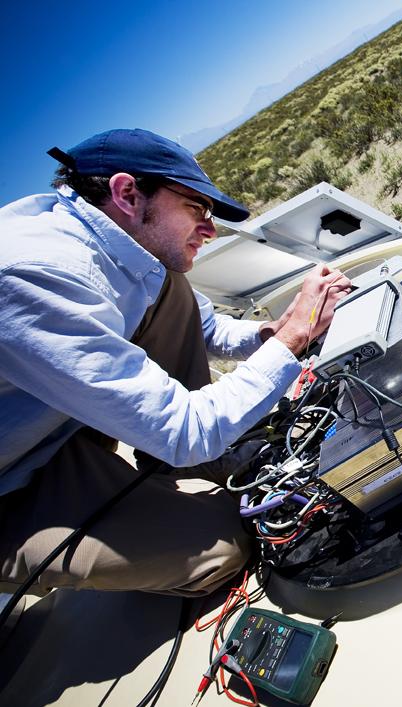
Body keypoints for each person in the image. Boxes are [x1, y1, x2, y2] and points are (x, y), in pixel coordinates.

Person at [0, 129, 352, 597]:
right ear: (127, 192)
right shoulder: (34, 275)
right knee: (227, 545)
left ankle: (186, 466)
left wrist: (273, 332)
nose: (209, 229)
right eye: (196, 209)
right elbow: (185, 431)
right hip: (15, 488)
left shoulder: (116, 242)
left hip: (60, 426)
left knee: (172, 283)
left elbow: (204, 329)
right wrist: (294, 339)